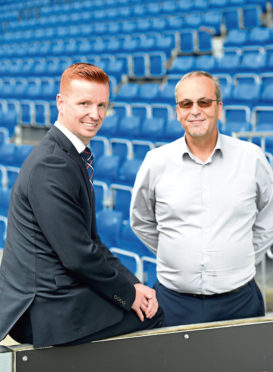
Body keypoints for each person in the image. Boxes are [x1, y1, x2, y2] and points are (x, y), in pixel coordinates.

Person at [0, 63, 163, 348]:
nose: (95, 114)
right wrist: (127, 294)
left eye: (102, 105)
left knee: (140, 300)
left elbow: (92, 241)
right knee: (155, 315)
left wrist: (133, 285)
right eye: (84, 103)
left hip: (56, 294)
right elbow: (77, 255)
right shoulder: (53, 163)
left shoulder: (69, 155)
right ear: (60, 103)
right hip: (45, 308)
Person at [130, 71, 273, 327]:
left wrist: (247, 254)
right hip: (174, 303)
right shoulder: (156, 162)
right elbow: (141, 221)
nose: (195, 110)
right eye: (186, 104)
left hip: (240, 301)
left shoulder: (251, 158)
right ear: (178, 112)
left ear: (219, 108)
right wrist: (175, 253)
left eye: (204, 102)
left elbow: (269, 213)